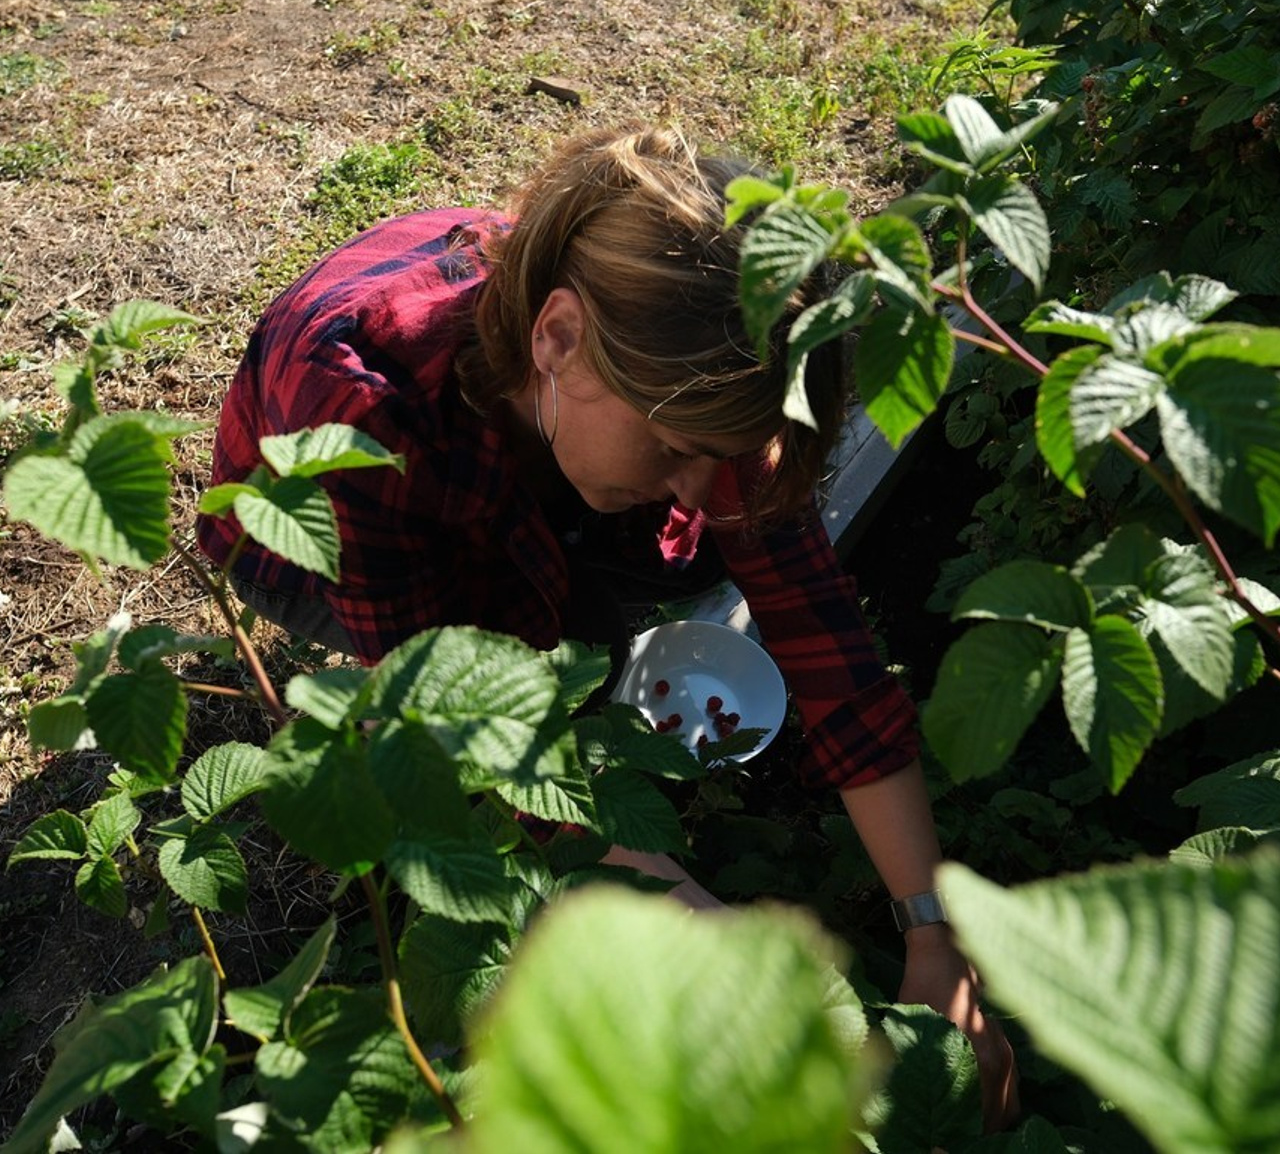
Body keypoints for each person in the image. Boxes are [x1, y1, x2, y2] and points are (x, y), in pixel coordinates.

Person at [196, 124, 1018, 1129]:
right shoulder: (365, 414)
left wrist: (930, 927)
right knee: (462, 722)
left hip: (532, 430)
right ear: (555, 337)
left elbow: (822, 635)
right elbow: (465, 741)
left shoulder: (684, 366)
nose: (692, 487)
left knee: (651, 553)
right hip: (300, 534)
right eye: (674, 450)